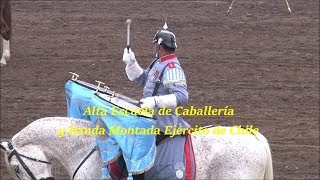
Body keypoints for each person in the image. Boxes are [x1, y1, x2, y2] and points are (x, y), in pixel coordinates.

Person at [122, 22, 196, 180]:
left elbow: (182, 97)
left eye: (155, 45)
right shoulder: (158, 62)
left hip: (162, 123)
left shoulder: (172, 67)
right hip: (151, 118)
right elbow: (143, 79)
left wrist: (155, 101)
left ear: (160, 46)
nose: (153, 47)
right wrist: (131, 63)